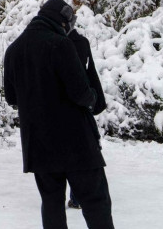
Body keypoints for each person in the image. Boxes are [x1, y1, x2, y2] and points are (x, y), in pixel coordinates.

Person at [3, 0, 115, 229]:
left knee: (51, 203)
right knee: (96, 201)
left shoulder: (13, 49)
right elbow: (80, 93)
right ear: (63, 20)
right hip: (75, 141)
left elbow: (12, 98)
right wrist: (93, 98)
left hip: (38, 143)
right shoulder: (61, 44)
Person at [67, 21, 107, 210]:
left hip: (69, 105)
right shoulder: (81, 42)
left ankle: (75, 197)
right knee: (82, 153)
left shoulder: (56, 44)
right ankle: (77, 197)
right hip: (82, 106)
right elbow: (89, 72)